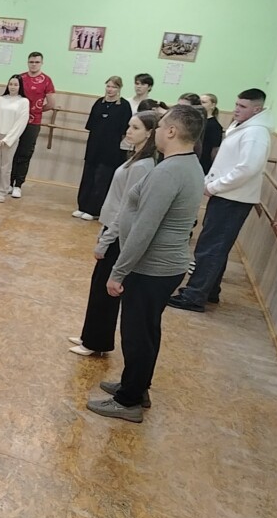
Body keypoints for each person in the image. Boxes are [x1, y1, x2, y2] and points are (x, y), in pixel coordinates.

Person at [86, 105, 206, 423]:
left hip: (152, 268)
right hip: (163, 267)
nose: (158, 131)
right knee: (147, 331)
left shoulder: (168, 172)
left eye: (161, 125)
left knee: (136, 334)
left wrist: (118, 271)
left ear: (172, 131)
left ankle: (128, 402)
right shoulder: (188, 164)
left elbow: (144, 228)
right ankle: (136, 387)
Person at [168, 89, 273, 312]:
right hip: (226, 195)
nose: (236, 109)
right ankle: (209, 290)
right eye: (236, 104)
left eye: (243, 106)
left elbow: (247, 168)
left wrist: (215, 186)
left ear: (257, 109)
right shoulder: (243, 127)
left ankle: (194, 295)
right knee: (215, 245)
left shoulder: (255, 132)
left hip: (232, 199)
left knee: (211, 247)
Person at [68, 111, 159, 357]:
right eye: (129, 126)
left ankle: (95, 341)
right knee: (98, 286)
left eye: (135, 128)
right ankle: (90, 334)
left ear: (149, 133)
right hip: (111, 227)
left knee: (103, 290)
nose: (129, 131)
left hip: (117, 234)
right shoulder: (135, 158)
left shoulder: (142, 166)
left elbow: (126, 209)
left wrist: (106, 239)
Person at [73, 76, 133, 221]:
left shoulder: (124, 106)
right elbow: (91, 125)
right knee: (88, 176)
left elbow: (124, 130)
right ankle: (82, 206)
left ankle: (94, 210)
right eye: (108, 86)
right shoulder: (99, 103)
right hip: (94, 147)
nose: (110, 89)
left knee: (102, 179)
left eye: (114, 87)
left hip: (111, 149)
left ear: (119, 89)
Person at [11, 52, 56, 198]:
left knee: (25, 153)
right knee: (11, 150)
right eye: (31, 62)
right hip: (15, 120)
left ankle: (18, 184)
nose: (34, 64)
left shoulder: (46, 80)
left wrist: (36, 110)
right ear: (27, 62)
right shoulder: (20, 78)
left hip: (33, 122)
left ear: (41, 63)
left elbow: (51, 103)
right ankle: (8, 182)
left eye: (37, 62)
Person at [0, 75, 29, 202]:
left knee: (6, 167)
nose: (13, 87)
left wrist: (8, 139)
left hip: (10, 139)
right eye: (11, 84)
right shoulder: (0, 99)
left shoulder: (24, 102)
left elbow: (21, 122)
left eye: (16, 85)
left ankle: (2, 192)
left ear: (20, 86)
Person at [124, 73, 153, 158]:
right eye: (137, 83)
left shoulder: (150, 104)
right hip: (124, 142)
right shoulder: (126, 102)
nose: (138, 86)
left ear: (149, 87)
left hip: (141, 143)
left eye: (143, 84)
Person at [198, 93, 224, 174]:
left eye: (203, 102)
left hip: (204, 163)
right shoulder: (197, 121)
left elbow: (215, 150)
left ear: (213, 105)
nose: (200, 105)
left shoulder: (214, 126)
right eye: (199, 102)